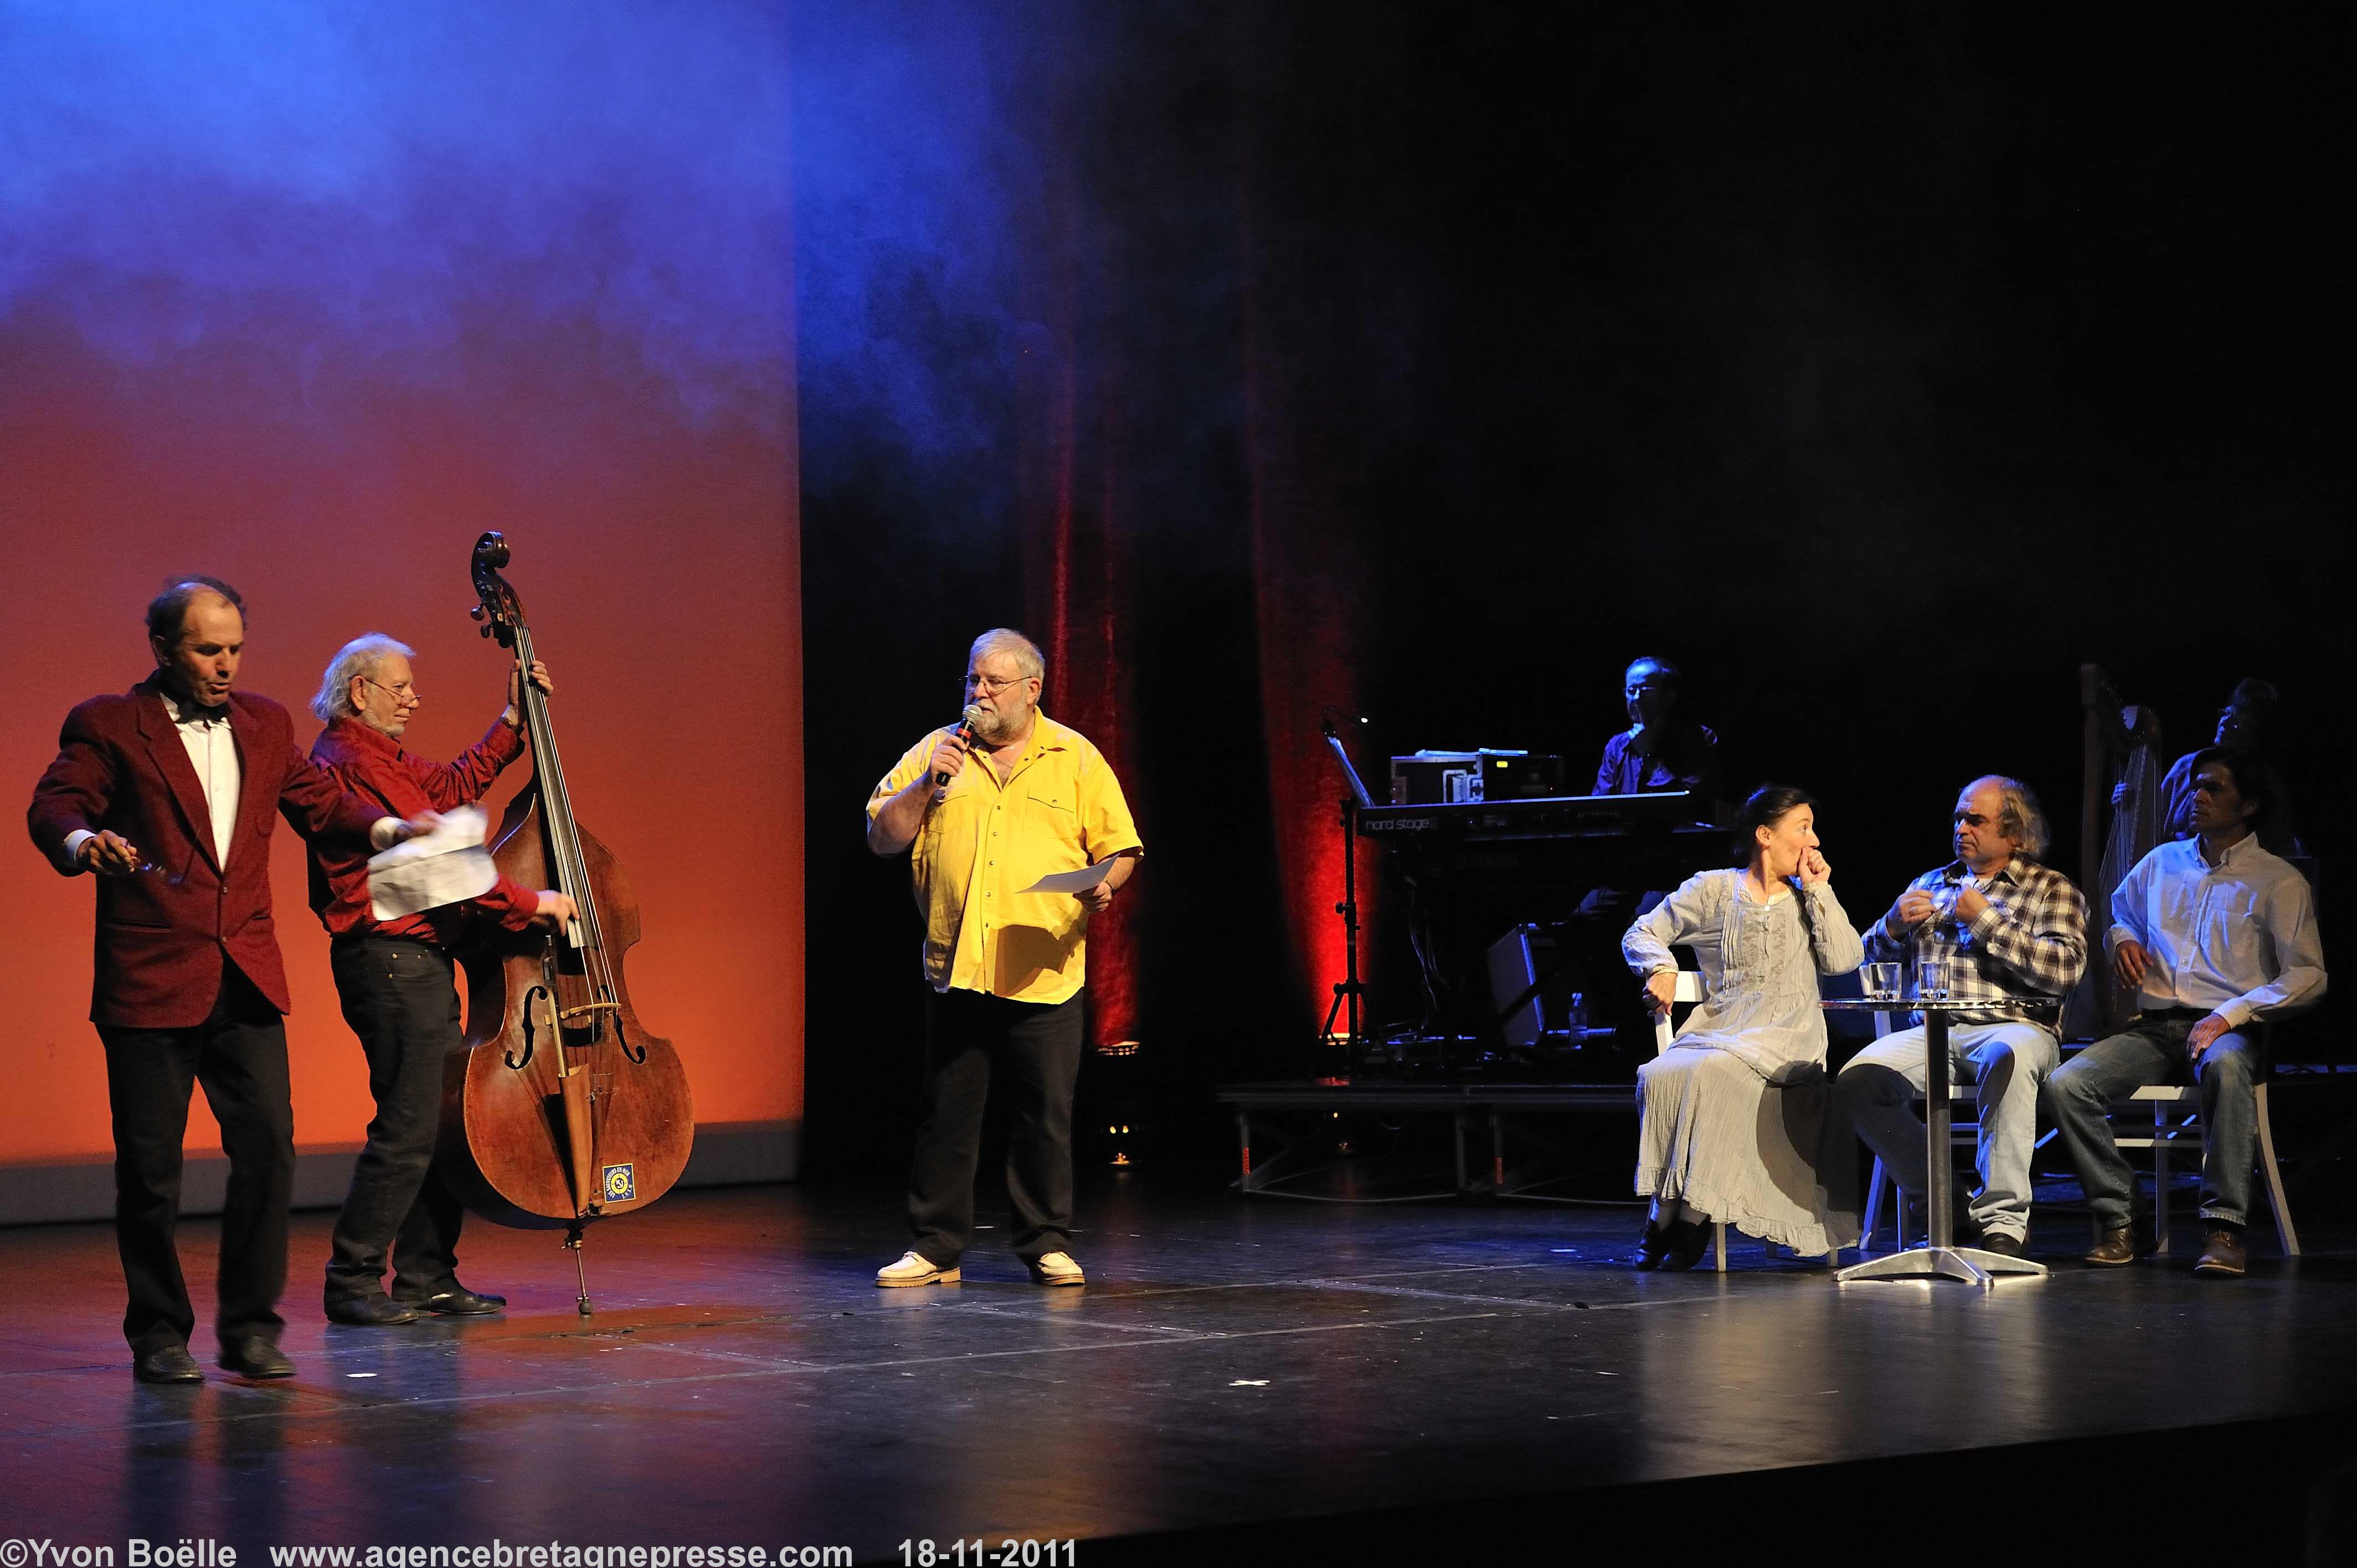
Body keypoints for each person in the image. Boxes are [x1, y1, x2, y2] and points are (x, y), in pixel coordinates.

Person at [27, 579, 429, 1384]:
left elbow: (320, 803)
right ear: (163, 648)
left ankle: (249, 1329)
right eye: (208, 650)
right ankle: (159, 1334)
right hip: (151, 981)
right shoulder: (110, 723)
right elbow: (56, 805)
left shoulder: (265, 723)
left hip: (244, 979)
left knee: (269, 1152)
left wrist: (386, 827)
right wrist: (80, 843)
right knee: (151, 1173)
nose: (225, 665)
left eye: (235, 649)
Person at [303, 635, 578, 1325]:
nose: (413, 700)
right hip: (392, 961)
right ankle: (352, 1279)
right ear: (360, 691)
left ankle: (426, 1275)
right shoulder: (349, 760)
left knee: (433, 1123)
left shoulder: (379, 758)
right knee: (407, 1126)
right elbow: (444, 864)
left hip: (412, 962)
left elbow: (451, 791)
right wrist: (532, 904)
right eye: (400, 688)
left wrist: (512, 721)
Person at [864, 630, 1144, 1288]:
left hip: (1042, 968)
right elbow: (882, 838)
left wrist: (1105, 884)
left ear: (1031, 689)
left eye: (993, 682)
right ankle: (935, 1248)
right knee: (947, 1115)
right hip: (958, 965)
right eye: (972, 680)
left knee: (1043, 1115)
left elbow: (1121, 849)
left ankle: (1046, 1244)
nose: (979, 693)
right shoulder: (937, 751)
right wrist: (927, 784)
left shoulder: (1074, 757)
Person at [2045, 749, 2326, 1277]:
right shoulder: (2162, 862)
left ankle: (2224, 1227)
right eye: (2196, 786)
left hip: (2226, 1028)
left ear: (2249, 805)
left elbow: (2308, 975)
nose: (2197, 796)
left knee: (2227, 1066)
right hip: (2155, 1028)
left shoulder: (2279, 880)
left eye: (2213, 788)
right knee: (2066, 1084)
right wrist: (2124, 939)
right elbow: (2121, 912)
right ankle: (2123, 1216)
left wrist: (2233, 1014)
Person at [1836, 777, 2087, 1256]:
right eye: (1958, 818)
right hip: (1933, 1032)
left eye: (1975, 820)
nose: (1961, 828)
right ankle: (1946, 1203)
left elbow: (2065, 972)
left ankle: (2003, 1222)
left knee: (2008, 1055)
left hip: (2017, 1028)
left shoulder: (2051, 888)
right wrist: (1891, 926)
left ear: (2015, 833)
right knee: (1856, 1083)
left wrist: (1984, 920)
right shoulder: (1929, 883)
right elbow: (1861, 964)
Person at [1622, 785, 1863, 1269]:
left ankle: (1688, 1218)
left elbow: (1843, 960)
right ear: (1765, 835)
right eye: (1803, 828)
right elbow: (1642, 931)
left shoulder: (1809, 898)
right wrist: (1661, 968)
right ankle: (1664, 1211)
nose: (1814, 841)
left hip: (1789, 1037)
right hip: (1723, 1028)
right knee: (1661, 1072)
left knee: (1713, 1073)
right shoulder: (1713, 889)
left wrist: (1820, 890)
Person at [2153, 680, 2299, 857]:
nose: (2226, 722)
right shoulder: (2185, 767)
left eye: (2240, 723)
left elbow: (2277, 852)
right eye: (2227, 713)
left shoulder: (2269, 786)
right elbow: (2152, 826)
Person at [1593, 656, 1718, 801]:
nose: (1637, 698)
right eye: (1631, 691)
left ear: (1670, 696)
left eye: (1646, 690)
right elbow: (1600, 805)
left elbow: (1692, 801)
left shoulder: (1701, 738)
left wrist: (1649, 754)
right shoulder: (1617, 746)